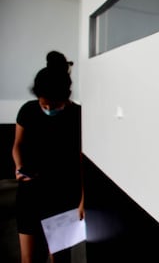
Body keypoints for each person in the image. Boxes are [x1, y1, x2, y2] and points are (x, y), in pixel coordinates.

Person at [12, 51, 84, 263]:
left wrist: (82, 201)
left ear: (66, 96)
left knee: (60, 257)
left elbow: (82, 162)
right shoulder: (28, 111)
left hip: (63, 196)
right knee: (29, 258)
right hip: (30, 194)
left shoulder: (77, 116)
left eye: (54, 105)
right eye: (44, 105)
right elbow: (17, 145)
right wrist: (19, 166)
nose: (49, 109)